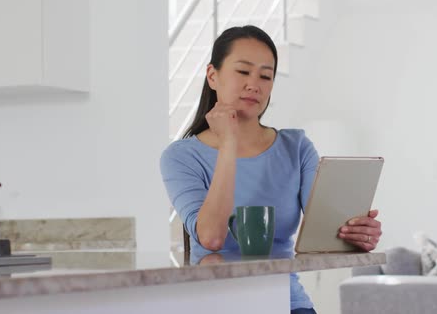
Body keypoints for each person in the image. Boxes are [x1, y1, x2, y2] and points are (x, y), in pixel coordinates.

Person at [160, 25, 382, 314]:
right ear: (213, 76)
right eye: (243, 72)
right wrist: (229, 142)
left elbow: (325, 232)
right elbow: (212, 237)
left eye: (266, 76)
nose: (255, 84)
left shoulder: (296, 147)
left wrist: (356, 234)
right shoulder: (180, 156)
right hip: (215, 304)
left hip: (287, 302)